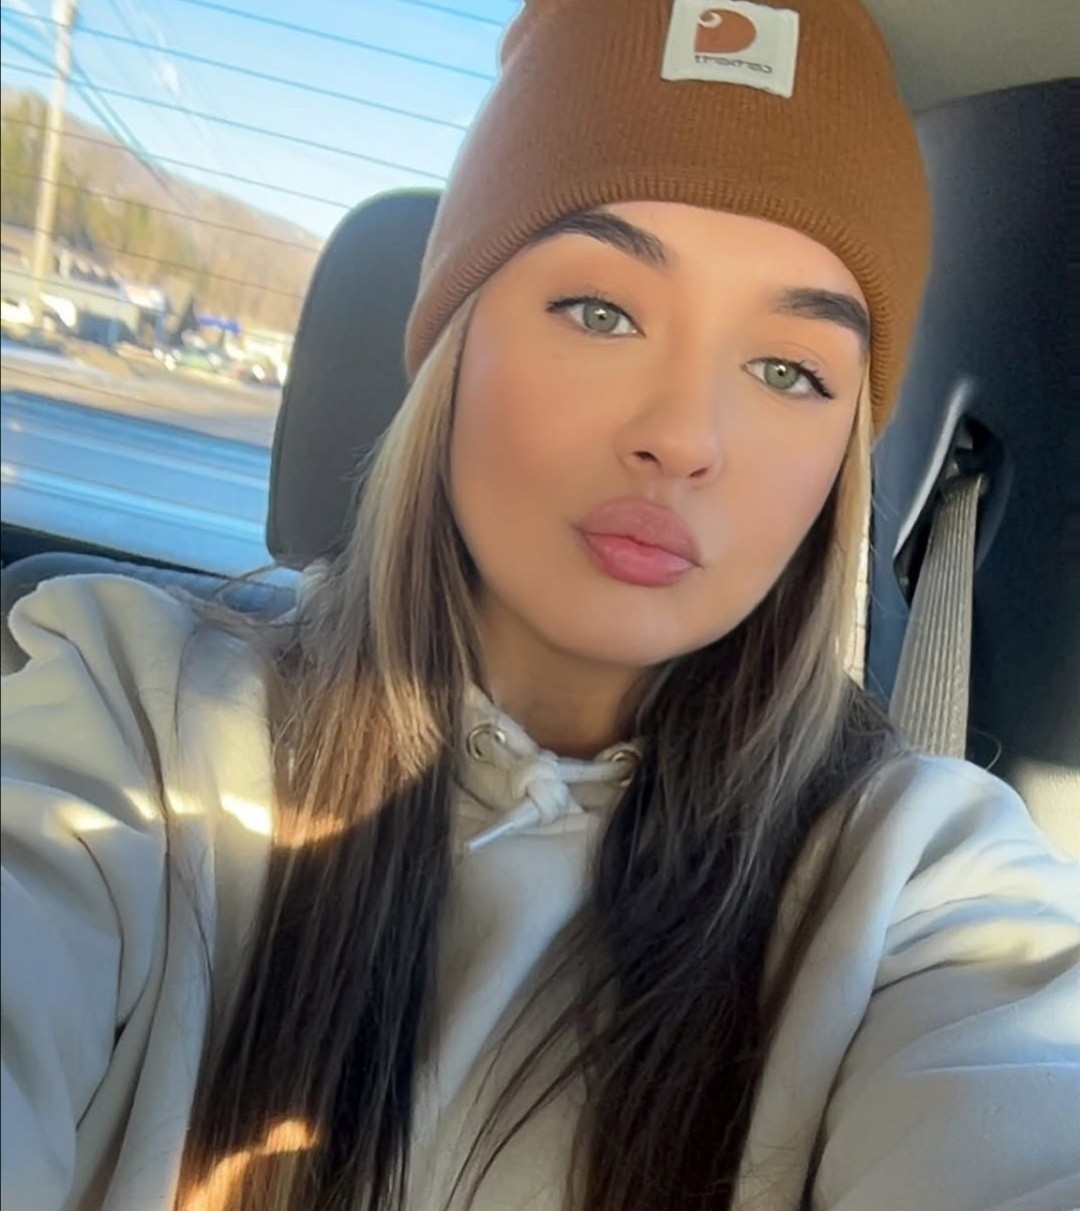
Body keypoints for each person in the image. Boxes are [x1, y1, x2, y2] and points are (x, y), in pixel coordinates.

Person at [2, 0, 1078, 1208]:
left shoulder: (917, 882)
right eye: (600, 311)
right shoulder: (131, 712)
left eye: (788, 370)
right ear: (453, 346)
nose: (684, 435)